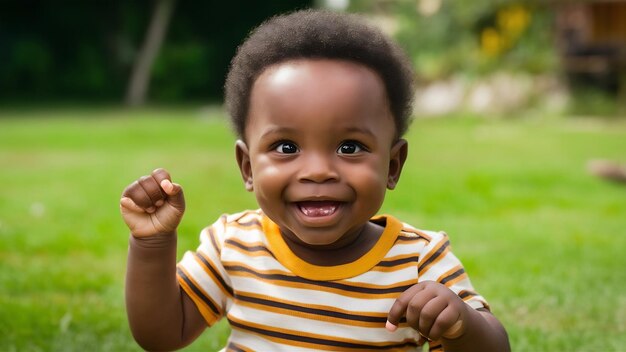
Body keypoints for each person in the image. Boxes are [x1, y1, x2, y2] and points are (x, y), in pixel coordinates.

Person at [120, 9, 510, 352]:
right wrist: (152, 243)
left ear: (392, 165)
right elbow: (161, 335)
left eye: (350, 147)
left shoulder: (419, 262)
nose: (318, 171)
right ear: (247, 168)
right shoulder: (234, 245)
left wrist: (460, 323)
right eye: (287, 147)